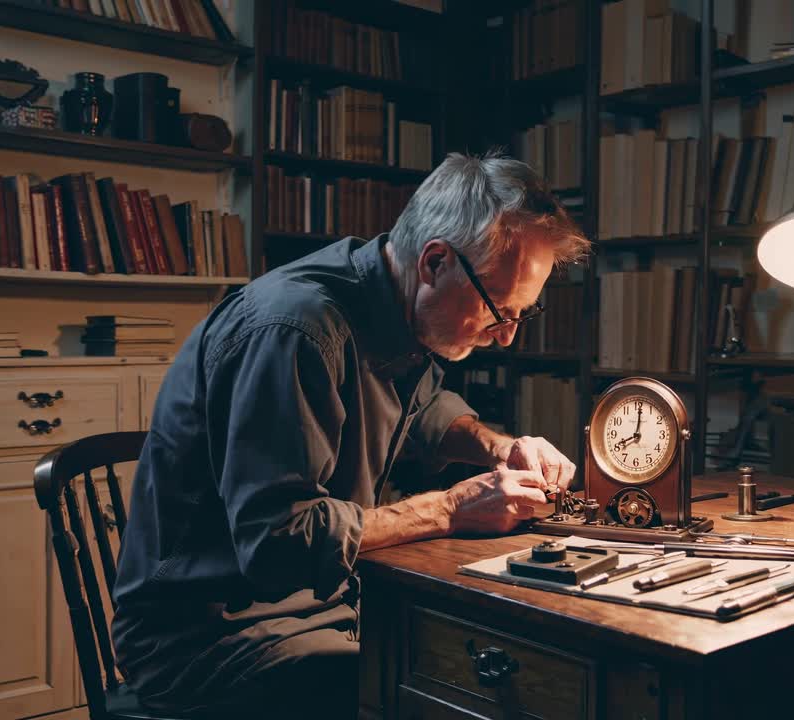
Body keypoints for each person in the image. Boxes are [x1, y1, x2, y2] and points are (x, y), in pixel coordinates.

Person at [109, 152, 591, 717]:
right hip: (209, 638)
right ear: (435, 262)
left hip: (329, 607)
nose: (506, 338)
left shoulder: (401, 310)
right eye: (497, 311)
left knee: (499, 675)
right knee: (439, 699)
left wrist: (500, 447)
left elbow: (428, 411)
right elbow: (279, 541)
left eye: (519, 316)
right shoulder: (294, 329)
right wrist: (453, 506)